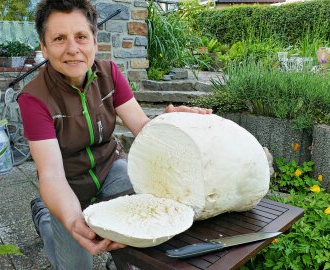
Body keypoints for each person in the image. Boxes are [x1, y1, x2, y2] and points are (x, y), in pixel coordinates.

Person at [18, 0, 212, 269]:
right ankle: (44, 217)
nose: (72, 49)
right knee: (76, 265)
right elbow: (51, 173)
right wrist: (73, 220)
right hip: (68, 186)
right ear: (44, 47)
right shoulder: (33, 98)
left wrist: (170, 121)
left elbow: (143, 128)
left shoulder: (109, 74)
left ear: (95, 43)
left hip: (111, 169)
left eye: (81, 37)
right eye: (59, 38)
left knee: (148, 216)